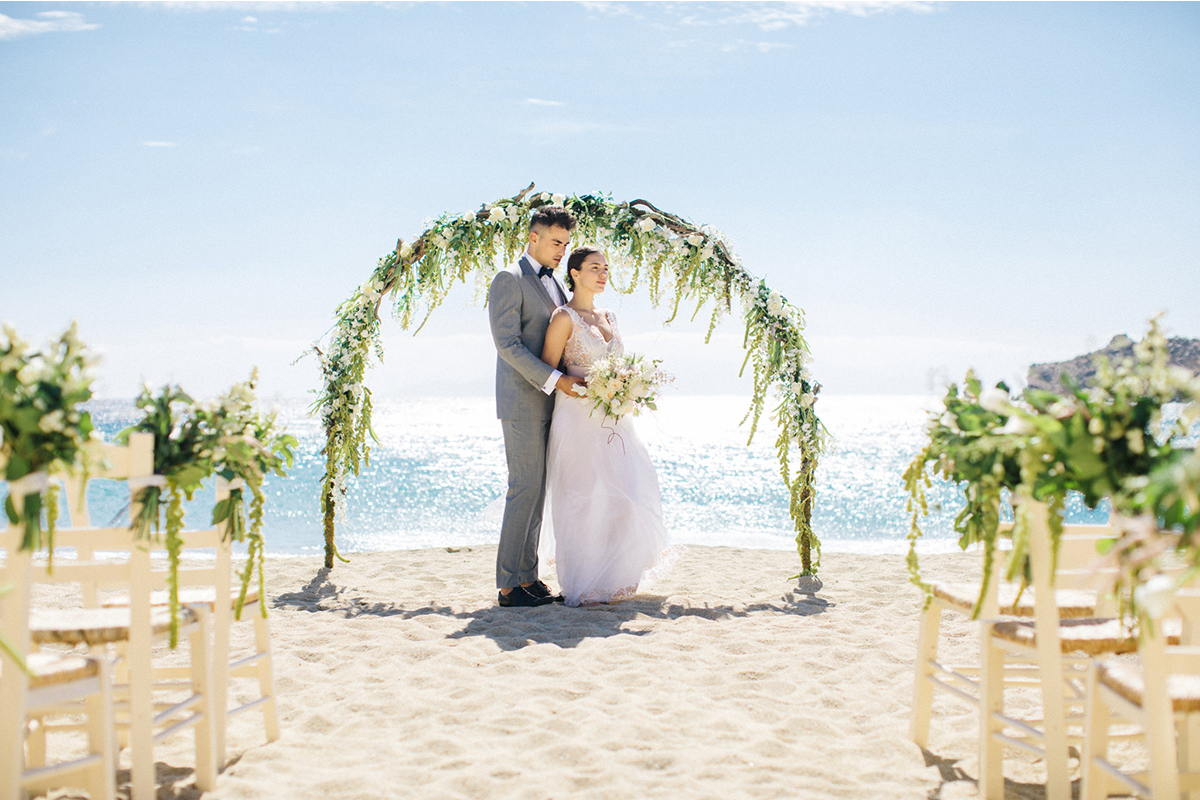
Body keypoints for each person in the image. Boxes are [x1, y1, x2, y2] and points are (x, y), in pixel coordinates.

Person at [538, 246, 676, 607]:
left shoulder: (610, 315)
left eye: (606, 268)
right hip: (577, 419)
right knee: (584, 498)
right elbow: (547, 370)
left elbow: (618, 363)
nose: (603, 274)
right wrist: (583, 386)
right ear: (574, 273)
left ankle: (617, 580)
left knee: (626, 493)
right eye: (594, 268)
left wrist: (626, 384)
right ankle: (583, 584)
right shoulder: (563, 318)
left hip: (614, 418)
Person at [487, 206, 585, 608]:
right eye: (556, 242)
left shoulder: (557, 286)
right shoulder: (509, 280)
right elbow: (507, 344)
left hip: (553, 402)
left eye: (566, 243)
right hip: (523, 400)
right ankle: (510, 586)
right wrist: (555, 380)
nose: (562, 250)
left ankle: (528, 577)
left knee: (538, 490)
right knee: (523, 487)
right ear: (534, 237)